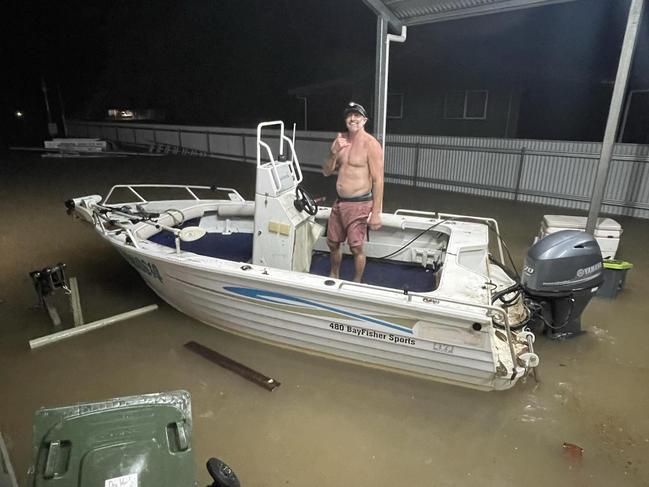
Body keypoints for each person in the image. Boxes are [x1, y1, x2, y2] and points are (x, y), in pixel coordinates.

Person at [322, 102, 384, 282]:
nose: (353, 118)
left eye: (357, 115)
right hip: (339, 203)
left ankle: (356, 282)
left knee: (356, 248)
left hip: (360, 204)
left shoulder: (371, 144)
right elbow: (326, 171)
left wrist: (376, 214)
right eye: (350, 115)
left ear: (364, 120)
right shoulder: (340, 141)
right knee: (332, 243)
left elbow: (378, 180)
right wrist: (333, 153)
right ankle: (334, 275)